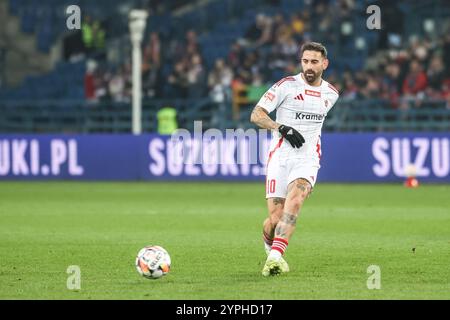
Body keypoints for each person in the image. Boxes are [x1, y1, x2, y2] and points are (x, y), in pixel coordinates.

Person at [250, 42, 339, 276]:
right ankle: (271, 245)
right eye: (305, 61)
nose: (309, 67)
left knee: (297, 199)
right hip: (280, 158)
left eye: (314, 62)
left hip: (307, 159)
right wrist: (281, 127)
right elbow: (256, 115)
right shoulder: (285, 86)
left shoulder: (331, 94)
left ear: (324, 64)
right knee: (275, 220)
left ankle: (277, 256)